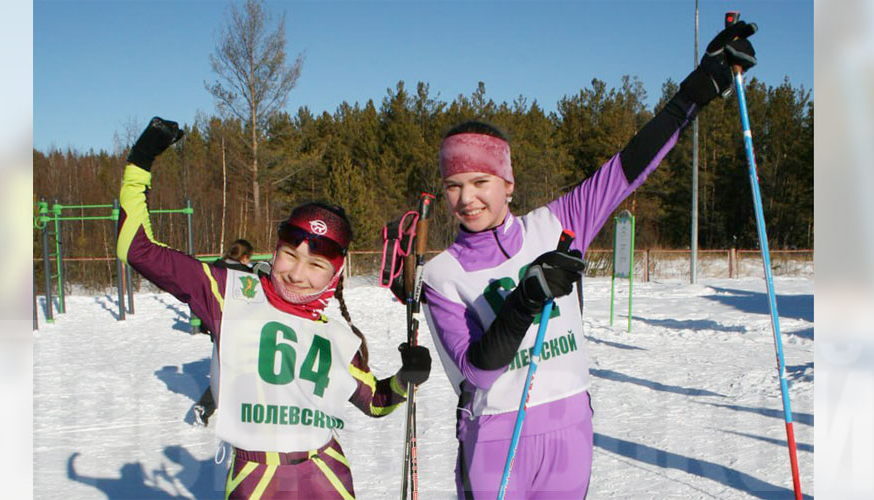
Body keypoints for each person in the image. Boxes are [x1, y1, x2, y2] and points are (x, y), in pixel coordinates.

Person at [421, 22, 758, 499]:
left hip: (570, 426)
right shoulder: (442, 274)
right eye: (454, 185)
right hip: (497, 436)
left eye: (481, 182)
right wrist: (526, 298)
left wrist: (693, 94)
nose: (467, 198)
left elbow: (628, 166)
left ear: (508, 184)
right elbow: (476, 371)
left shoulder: (556, 225)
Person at [117, 117, 432, 499]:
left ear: (335, 273)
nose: (297, 274)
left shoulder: (337, 335)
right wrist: (140, 165)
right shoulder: (228, 291)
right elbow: (138, 249)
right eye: (288, 255)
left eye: (315, 266)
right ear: (276, 249)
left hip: (327, 473)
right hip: (258, 477)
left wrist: (406, 378)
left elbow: (376, 403)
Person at [193, 238, 258, 427]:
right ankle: (207, 406)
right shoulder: (244, 274)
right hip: (237, 329)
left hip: (218, 325)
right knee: (239, 371)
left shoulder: (216, 268)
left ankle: (214, 406)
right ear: (244, 257)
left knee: (228, 371)